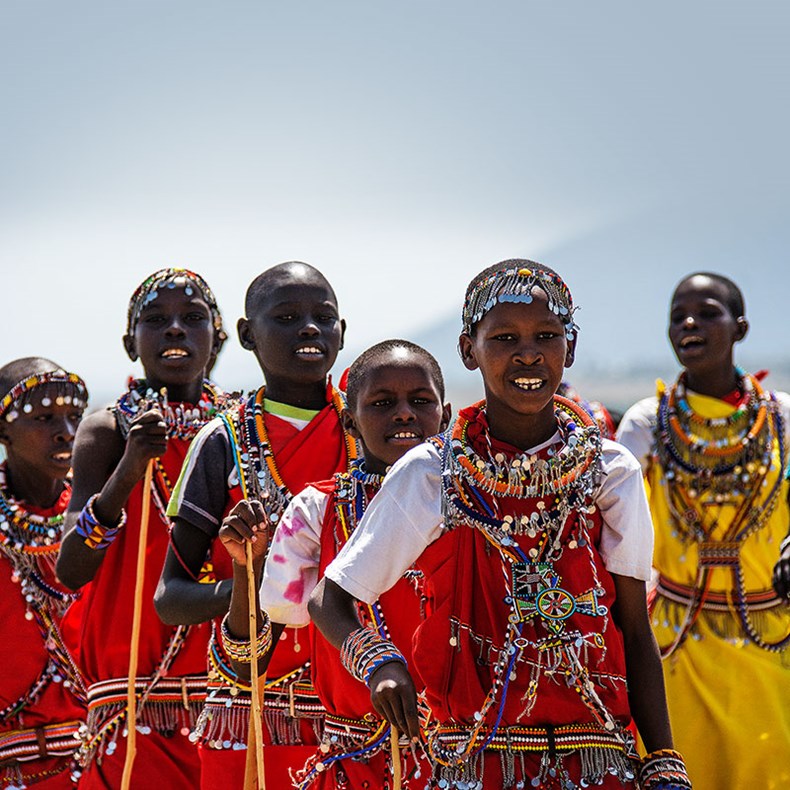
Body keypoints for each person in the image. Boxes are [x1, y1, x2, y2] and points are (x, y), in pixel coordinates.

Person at [309, 260, 690, 790]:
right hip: (476, 764)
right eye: (505, 337)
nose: (528, 352)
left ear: (570, 348)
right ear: (469, 351)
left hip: (600, 761)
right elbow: (330, 600)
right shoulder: (432, 473)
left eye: (546, 336)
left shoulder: (610, 470)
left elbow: (633, 627)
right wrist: (378, 664)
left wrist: (664, 759)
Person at [156, 261, 355, 788]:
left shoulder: (368, 433)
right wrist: (260, 583)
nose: (309, 329)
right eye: (287, 317)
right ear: (247, 335)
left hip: (356, 708)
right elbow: (170, 597)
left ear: (343, 333)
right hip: (250, 708)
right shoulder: (221, 441)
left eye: (323, 318)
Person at [218, 339, 451, 788]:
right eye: (382, 403)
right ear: (350, 420)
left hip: (465, 760)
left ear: (446, 413)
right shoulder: (318, 510)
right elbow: (253, 655)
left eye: (420, 401)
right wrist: (247, 567)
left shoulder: (476, 504)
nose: (404, 414)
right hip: (355, 764)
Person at [616, 272, 790, 790]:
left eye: (708, 312)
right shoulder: (647, 424)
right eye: (678, 316)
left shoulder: (781, 417)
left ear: (740, 326)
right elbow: (617, 528)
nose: (690, 323)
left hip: (769, 642)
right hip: (675, 649)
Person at [57, 268, 228, 789]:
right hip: (133, 702)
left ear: (218, 340)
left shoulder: (243, 427)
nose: (174, 329)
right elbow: (70, 568)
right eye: (156, 320)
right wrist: (130, 467)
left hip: (232, 697)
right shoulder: (108, 429)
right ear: (131, 344)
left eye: (192, 319)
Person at [0, 359, 88, 788]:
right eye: (44, 418)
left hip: (104, 759)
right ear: (3, 433)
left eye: (74, 417)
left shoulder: (103, 518)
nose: (66, 433)